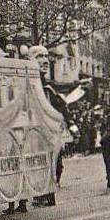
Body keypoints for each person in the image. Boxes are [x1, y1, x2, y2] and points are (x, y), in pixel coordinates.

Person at [29, 45, 66, 207]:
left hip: (50, 133)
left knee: (55, 163)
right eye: (39, 57)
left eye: (45, 56)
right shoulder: (30, 83)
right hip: (35, 133)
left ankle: (48, 195)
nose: (44, 60)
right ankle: (43, 194)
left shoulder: (48, 86)